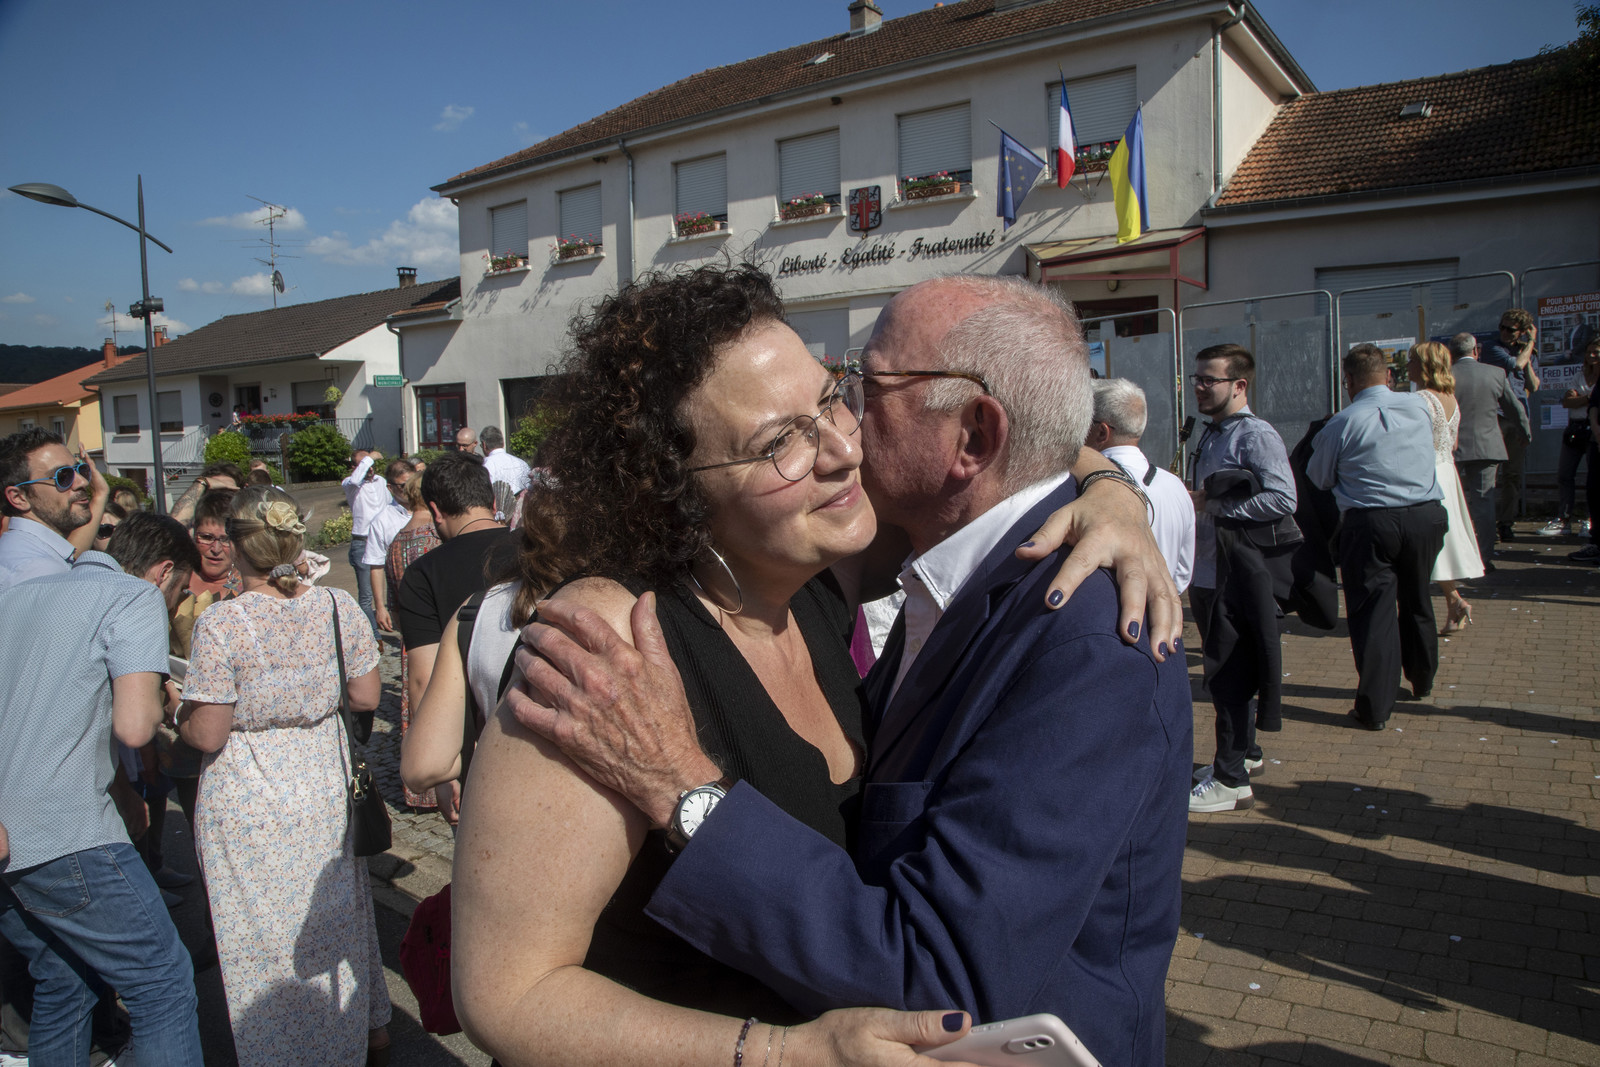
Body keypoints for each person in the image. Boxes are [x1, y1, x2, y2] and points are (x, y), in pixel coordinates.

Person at [459, 267, 1186, 1066]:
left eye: (835, 397)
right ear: (672, 492)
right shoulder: (612, 642)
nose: (846, 445)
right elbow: (507, 993)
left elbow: (1016, 429)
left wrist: (1112, 488)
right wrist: (773, 1054)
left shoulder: (812, 578)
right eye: (781, 442)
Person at [176, 486, 391, 1066]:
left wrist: (178, 706)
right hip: (323, 777)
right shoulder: (336, 605)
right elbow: (367, 693)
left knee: (260, 938)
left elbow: (210, 733)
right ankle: (352, 1034)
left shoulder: (223, 624)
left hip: (250, 790)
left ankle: (282, 1051)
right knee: (333, 916)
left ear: (240, 547)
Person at [0, 511, 205, 1066]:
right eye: (180, 592)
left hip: (10, 828)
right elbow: (134, 727)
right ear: (163, 572)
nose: (174, 605)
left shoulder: (21, 596)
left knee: (66, 980)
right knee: (161, 981)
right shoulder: (131, 598)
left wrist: (120, 791)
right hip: (66, 831)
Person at [1308, 344, 1446, 731]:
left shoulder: (1342, 422)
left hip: (1371, 522)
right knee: (1418, 596)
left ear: (1348, 380)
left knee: (1372, 614)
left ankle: (1375, 706)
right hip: (1425, 514)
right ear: (1388, 375)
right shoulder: (1419, 407)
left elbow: (1320, 478)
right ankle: (1422, 678)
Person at [1185, 344, 1298, 813]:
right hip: (1210, 569)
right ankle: (1244, 755)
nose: (1199, 386)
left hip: (1233, 573)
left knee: (1228, 673)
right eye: (1197, 378)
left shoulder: (1255, 435)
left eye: (1209, 379)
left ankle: (1230, 780)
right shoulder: (1212, 433)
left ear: (1239, 385)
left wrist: (1219, 509)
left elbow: (1283, 498)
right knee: (1229, 667)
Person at [395, 451, 517, 821]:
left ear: (435, 510)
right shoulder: (537, 549)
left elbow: (423, 678)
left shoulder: (422, 574)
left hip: (477, 745)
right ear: (494, 502)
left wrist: (445, 771)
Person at [1089, 378, 1195, 591]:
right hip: (1163, 611)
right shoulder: (1175, 485)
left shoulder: (1088, 484)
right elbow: (1183, 571)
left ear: (1102, 432)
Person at [1407, 342, 1484, 633]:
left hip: (1429, 475)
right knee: (1442, 543)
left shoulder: (1423, 398)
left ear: (1425, 365)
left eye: (1413, 360)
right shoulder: (1449, 396)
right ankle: (1454, 601)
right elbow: (1452, 443)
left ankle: (1442, 605)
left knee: (1429, 545)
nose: (1408, 365)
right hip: (1447, 472)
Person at [385, 472, 441, 808]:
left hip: (410, 637)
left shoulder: (397, 540)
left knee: (416, 705)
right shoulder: (434, 539)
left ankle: (417, 789)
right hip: (436, 634)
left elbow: (394, 599)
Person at [1448, 331, 1527, 571]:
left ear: (1452, 354)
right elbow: (1514, 408)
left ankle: (1453, 556)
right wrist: (1525, 432)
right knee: (1484, 503)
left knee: (1452, 503)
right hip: (1487, 446)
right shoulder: (1495, 373)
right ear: (1476, 351)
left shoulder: (1445, 376)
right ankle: (1483, 558)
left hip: (1452, 448)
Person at [0, 428, 95, 593]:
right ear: (19, 498)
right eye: (62, 476)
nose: (82, 482)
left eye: (81, 470)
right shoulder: (41, 572)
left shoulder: (19, 551)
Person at [1479, 308, 1540, 541]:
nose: (1504, 332)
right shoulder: (1492, 347)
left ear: (1521, 332)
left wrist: (1528, 355)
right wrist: (1530, 344)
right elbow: (1514, 365)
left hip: (1517, 415)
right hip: (1496, 414)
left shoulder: (1525, 352)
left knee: (1512, 474)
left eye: (1510, 329)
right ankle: (1486, 523)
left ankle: (1506, 522)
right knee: (1490, 473)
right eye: (1502, 327)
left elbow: (1533, 386)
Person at [1545, 338, 1599, 536]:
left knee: (1593, 478)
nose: (1591, 356)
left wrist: (1582, 399)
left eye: (1596, 352)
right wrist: (1589, 398)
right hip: (1575, 428)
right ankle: (1564, 519)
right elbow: (1567, 401)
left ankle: (1590, 519)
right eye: (1589, 352)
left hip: (1594, 430)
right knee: (1565, 474)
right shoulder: (1579, 375)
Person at [341, 448, 390, 632]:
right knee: (366, 595)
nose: (369, 468)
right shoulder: (350, 484)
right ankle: (373, 636)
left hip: (384, 540)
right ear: (355, 466)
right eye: (364, 464)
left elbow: (390, 506)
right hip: (363, 541)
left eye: (371, 464)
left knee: (392, 587)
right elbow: (355, 478)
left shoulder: (381, 481)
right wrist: (369, 458)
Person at [365, 458, 416, 634]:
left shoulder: (435, 509)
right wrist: (380, 606)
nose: (409, 489)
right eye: (403, 485)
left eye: (412, 482)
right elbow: (376, 566)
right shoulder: (382, 521)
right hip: (405, 598)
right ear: (390, 488)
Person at [479, 423, 531, 520]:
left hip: (498, 521)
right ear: (502, 443)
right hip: (523, 517)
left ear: (484, 445)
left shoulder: (484, 465)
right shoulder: (521, 463)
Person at [168, 461, 243, 527]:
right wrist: (202, 482)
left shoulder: (245, 519)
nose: (222, 495)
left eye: (228, 489)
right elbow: (175, 525)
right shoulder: (196, 522)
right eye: (216, 489)